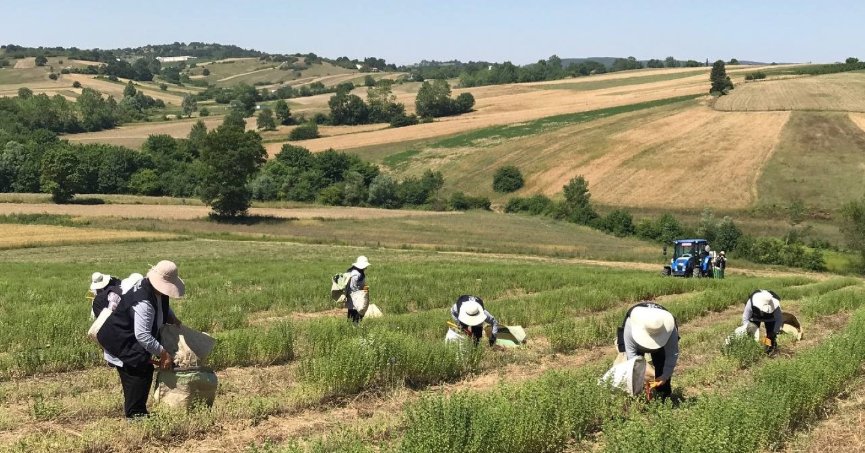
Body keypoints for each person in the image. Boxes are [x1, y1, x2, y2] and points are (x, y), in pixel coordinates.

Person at [96, 261, 185, 419]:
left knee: (144, 368)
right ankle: (136, 415)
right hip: (121, 340)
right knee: (138, 373)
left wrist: (174, 319)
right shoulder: (144, 301)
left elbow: (162, 306)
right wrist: (163, 353)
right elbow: (142, 335)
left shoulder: (155, 290)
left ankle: (139, 411)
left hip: (132, 337)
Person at [617, 302, 679, 399]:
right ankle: (636, 397)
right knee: (632, 372)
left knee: (661, 364)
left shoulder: (670, 329)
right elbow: (632, 358)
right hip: (636, 343)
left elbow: (672, 354)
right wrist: (641, 378)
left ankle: (663, 397)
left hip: (662, 345)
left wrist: (664, 376)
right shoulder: (631, 326)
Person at [742, 290, 782, 354]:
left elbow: (779, 319)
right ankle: (753, 348)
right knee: (752, 332)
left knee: (770, 336)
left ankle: (769, 349)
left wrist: (774, 331)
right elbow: (745, 318)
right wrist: (748, 329)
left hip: (770, 319)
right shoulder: (751, 302)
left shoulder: (775, 305)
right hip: (755, 318)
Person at [345, 256, 369, 324]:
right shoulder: (356, 273)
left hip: (354, 297)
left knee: (353, 314)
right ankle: (353, 329)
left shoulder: (357, 272)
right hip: (354, 297)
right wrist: (361, 291)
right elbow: (352, 286)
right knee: (355, 315)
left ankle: (351, 328)